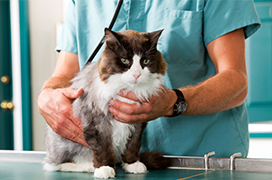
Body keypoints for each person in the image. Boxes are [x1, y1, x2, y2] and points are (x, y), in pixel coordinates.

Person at [37, 0, 261, 157]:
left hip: (201, 160)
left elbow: (236, 81)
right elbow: (64, 76)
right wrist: (46, 96)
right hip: (114, 164)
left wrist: (173, 102)